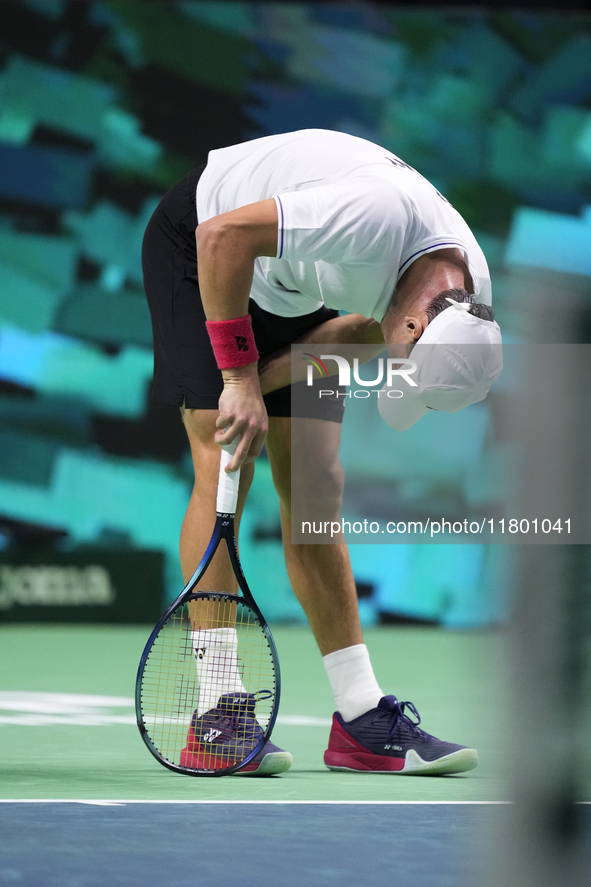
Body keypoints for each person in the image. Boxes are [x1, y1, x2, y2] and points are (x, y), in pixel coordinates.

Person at [142, 129, 502, 776]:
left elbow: (363, 334)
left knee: (314, 484)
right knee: (226, 460)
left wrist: (259, 376)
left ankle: (361, 718)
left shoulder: (466, 301)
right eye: (405, 365)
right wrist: (234, 379)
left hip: (291, 280)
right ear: (415, 326)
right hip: (204, 247)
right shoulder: (373, 218)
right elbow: (221, 237)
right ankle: (216, 712)